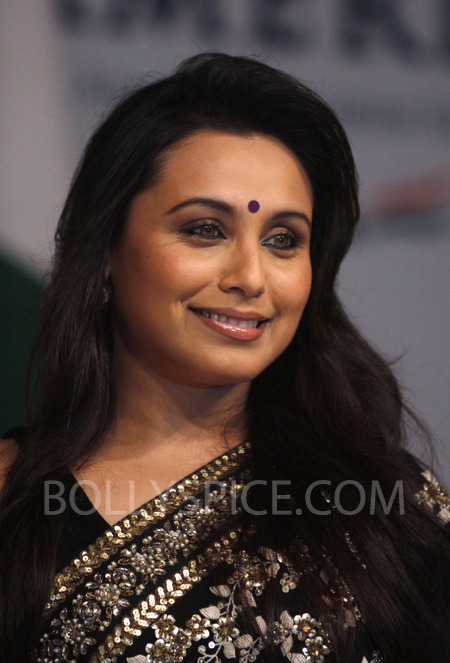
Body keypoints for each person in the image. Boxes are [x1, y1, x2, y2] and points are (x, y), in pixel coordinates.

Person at [0, 52, 449, 663]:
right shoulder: (15, 497)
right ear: (106, 249)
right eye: (206, 229)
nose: (251, 277)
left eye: (283, 240)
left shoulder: (388, 504)